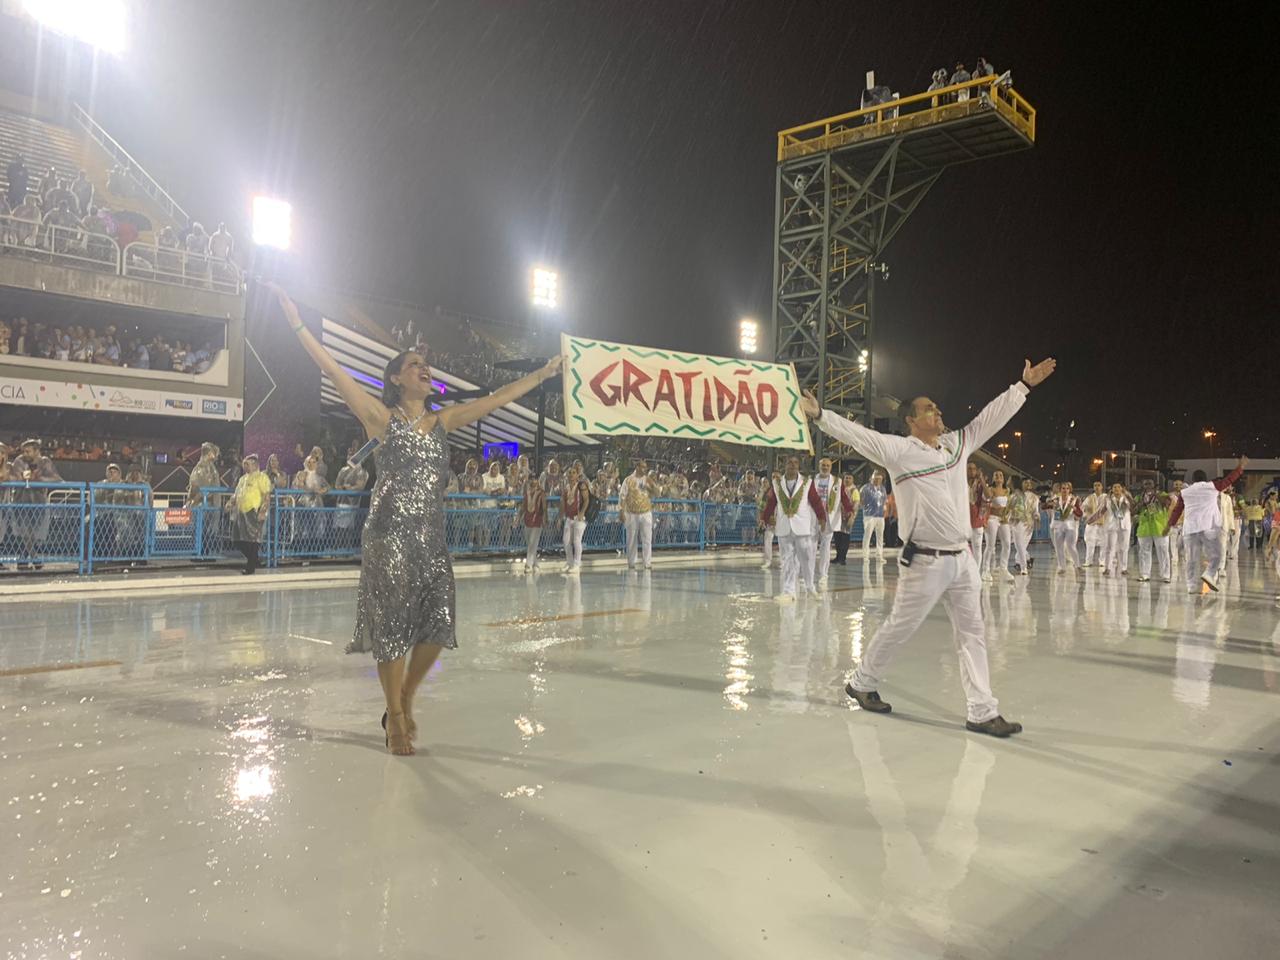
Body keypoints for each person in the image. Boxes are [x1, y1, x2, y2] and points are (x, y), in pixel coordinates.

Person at [270, 283, 560, 756]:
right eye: (413, 365)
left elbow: (500, 399)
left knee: (440, 616)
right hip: (387, 534)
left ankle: (402, 698)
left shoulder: (444, 421)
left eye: (426, 365)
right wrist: (297, 322)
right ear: (396, 379)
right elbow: (332, 367)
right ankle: (396, 717)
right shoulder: (380, 418)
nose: (424, 369)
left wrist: (545, 373)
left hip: (430, 535)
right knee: (390, 625)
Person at [802, 356, 1057, 736]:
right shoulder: (898, 452)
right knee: (900, 627)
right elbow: (861, 437)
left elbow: (990, 418)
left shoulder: (957, 445)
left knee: (973, 633)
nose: (937, 411)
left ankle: (982, 711)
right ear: (910, 420)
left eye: (936, 407)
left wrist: (1022, 387)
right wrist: (821, 415)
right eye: (928, 409)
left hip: (962, 559)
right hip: (924, 561)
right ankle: (861, 681)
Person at [1164, 457, 1246, 594]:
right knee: (1217, 554)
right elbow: (1229, 480)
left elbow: (1177, 510)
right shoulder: (1212, 486)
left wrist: (1169, 525)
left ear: (1193, 479)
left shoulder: (1185, 492)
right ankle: (1209, 574)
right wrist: (1240, 468)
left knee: (1191, 559)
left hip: (1190, 529)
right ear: (1205, 478)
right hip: (1209, 527)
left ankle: (1191, 586)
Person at [760, 455, 827, 601]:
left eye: (795, 463)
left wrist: (822, 518)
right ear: (785, 465)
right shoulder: (777, 483)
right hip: (784, 526)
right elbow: (771, 502)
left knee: (807, 558)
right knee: (787, 559)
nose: (793, 465)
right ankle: (789, 592)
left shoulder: (807, 482)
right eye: (790, 462)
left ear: (799, 466)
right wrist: (765, 517)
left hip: (802, 527)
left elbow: (815, 501)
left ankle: (810, 588)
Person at [9, 439, 63, 570]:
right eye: (24, 451)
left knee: (32, 533)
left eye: (28, 451)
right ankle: (34, 558)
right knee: (25, 531)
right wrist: (24, 478)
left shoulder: (45, 462)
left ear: (36, 451)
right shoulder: (19, 461)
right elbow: (15, 478)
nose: (25, 454)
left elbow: (57, 479)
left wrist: (38, 479)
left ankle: (22, 559)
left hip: (39, 502)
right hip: (21, 500)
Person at [813, 458, 854, 586]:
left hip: (829, 518)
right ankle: (808, 575)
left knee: (825, 546)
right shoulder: (811, 480)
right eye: (823, 465)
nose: (825, 467)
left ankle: (824, 575)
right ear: (819, 466)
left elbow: (844, 498)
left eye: (827, 466)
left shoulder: (837, 481)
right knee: (810, 547)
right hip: (813, 518)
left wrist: (850, 510)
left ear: (831, 467)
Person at [229, 454, 271, 574]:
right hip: (241, 512)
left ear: (255, 464)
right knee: (237, 540)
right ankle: (254, 560)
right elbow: (236, 494)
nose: (244, 466)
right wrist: (230, 503)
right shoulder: (243, 479)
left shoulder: (261, 477)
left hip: (254, 511)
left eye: (247, 464)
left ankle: (250, 567)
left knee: (253, 540)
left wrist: (262, 511)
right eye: (244, 464)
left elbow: (267, 497)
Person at [619, 459, 655, 571]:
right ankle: (631, 562)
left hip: (646, 512)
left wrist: (650, 487)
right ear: (637, 467)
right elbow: (622, 496)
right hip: (631, 513)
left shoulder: (647, 480)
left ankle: (647, 563)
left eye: (646, 467)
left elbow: (657, 493)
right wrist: (621, 511)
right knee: (631, 539)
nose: (645, 469)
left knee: (647, 538)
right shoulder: (628, 480)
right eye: (643, 467)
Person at [1134, 481, 1172, 583]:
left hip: (1160, 527)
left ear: (1154, 485)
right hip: (1144, 527)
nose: (1148, 486)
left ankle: (1166, 575)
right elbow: (1134, 509)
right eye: (1146, 484)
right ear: (1143, 486)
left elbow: (1167, 504)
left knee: (1163, 551)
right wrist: (1142, 502)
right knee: (1144, 551)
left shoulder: (1162, 494)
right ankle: (1144, 574)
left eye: (1150, 484)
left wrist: (1155, 495)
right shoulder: (1139, 496)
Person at [560, 464, 591, 575]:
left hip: (579, 518)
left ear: (577, 475)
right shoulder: (566, 487)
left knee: (577, 540)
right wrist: (560, 517)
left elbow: (586, 500)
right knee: (566, 540)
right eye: (570, 473)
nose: (571, 475)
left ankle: (577, 564)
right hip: (569, 517)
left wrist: (582, 512)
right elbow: (563, 503)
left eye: (574, 473)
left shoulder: (581, 485)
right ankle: (570, 562)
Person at [1047, 481, 1082, 573]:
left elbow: (1080, 513)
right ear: (1060, 490)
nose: (1065, 490)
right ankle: (1062, 567)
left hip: (1070, 525)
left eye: (1067, 488)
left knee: (1071, 546)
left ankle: (1078, 565)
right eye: (1063, 488)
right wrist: (1049, 504)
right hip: (1058, 525)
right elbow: (1044, 506)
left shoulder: (1074, 499)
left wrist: (1074, 509)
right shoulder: (1055, 499)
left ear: (1070, 490)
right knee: (1059, 547)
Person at [1006, 477, 1039, 575]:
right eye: (1025, 482)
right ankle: (1027, 560)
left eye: (1029, 483)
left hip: (1028, 523)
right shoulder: (1014, 496)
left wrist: (1037, 517)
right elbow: (1009, 510)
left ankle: (1023, 566)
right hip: (1016, 523)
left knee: (1021, 545)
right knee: (1019, 545)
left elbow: (1035, 510)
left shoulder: (1034, 497)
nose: (1027, 484)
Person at [987, 470, 1015, 582]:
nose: (999, 477)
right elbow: (986, 503)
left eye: (1001, 475)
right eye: (996, 475)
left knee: (1007, 544)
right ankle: (986, 570)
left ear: (1003, 478)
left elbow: (1009, 505)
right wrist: (993, 506)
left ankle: (1003, 568)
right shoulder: (990, 489)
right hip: (992, 519)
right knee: (991, 545)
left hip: (1004, 520)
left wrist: (1009, 513)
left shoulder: (1007, 490)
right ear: (993, 478)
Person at [1102, 483, 1134, 577]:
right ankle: (1107, 567)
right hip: (1112, 525)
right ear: (1111, 489)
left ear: (1122, 489)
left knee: (1124, 547)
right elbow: (1101, 510)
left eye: (1119, 487)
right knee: (1110, 547)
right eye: (1114, 487)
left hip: (1125, 525)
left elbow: (1133, 507)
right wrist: (1091, 519)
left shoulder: (1126, 498)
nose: (1116, 489)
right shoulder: (1108, 499)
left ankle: (1124, 568)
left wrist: (1129, 496)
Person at [520, 475, 547, 573]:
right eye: (531, 479)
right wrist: (518, 518)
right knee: (530, 543)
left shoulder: (541, 493)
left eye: (535, 479)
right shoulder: (526, 493)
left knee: (532, 542)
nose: (533, 481)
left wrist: (545, 519)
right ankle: (535, 564)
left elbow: (544, 507)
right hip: (527, 519)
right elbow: (523, 507)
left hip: (537, 520)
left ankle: (528, 565)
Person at [858, 470, 888, 561]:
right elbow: (861, 501)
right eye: (876, 478)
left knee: (880, 537)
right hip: (869, 516)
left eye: (880, 479)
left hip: (880, 515)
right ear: (872, 478)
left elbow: (884, 500)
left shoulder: (882, 488)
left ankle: (879, 555)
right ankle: (865, 556)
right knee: (867, 536)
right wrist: (867, 509)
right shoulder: (865, 488)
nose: (878, 481)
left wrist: (884, 510)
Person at [1080, 481, 1108, 568]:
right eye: (1095, 485)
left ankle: (1102, 561)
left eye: (1098, 485)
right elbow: (1082, 508)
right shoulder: (1089, 498)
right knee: (1089, 542)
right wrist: (1085, 514)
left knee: (1104, 543)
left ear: (1102, 487)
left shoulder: (1106, 497)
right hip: (1092, 523)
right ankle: (1088, 561)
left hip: (1103, 523)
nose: (1096, 487)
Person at [833, 473, 859, 565]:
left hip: (848, 517)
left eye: (849, 478)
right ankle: (837, 556)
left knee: (845, 538)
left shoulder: (854, 490)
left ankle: (842, 558)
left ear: (853, 480)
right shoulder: (839, 489)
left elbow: (856, 504)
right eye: (846, 478)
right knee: (837, 537)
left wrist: (852, 516)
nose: (847, 479)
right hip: (837, 517)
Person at [187, 442, 222, 506]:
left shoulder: (211, 467)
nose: (216, 456)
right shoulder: (201, 467)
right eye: (214, 453)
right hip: (203, 503)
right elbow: (195, 486)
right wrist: (195, 499)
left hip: (211, 503)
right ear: (209, 453)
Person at [758, 470, 780, 569]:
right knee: (767, 539)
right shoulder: (769, 491)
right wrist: (763, 518)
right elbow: (767, 506)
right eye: (773, 477)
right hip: (771, 519)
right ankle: (767, 561)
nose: (775, 478)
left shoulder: (785, 490)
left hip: (783, 520)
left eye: (777, 476)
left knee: (783, 542)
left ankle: (785, 562)